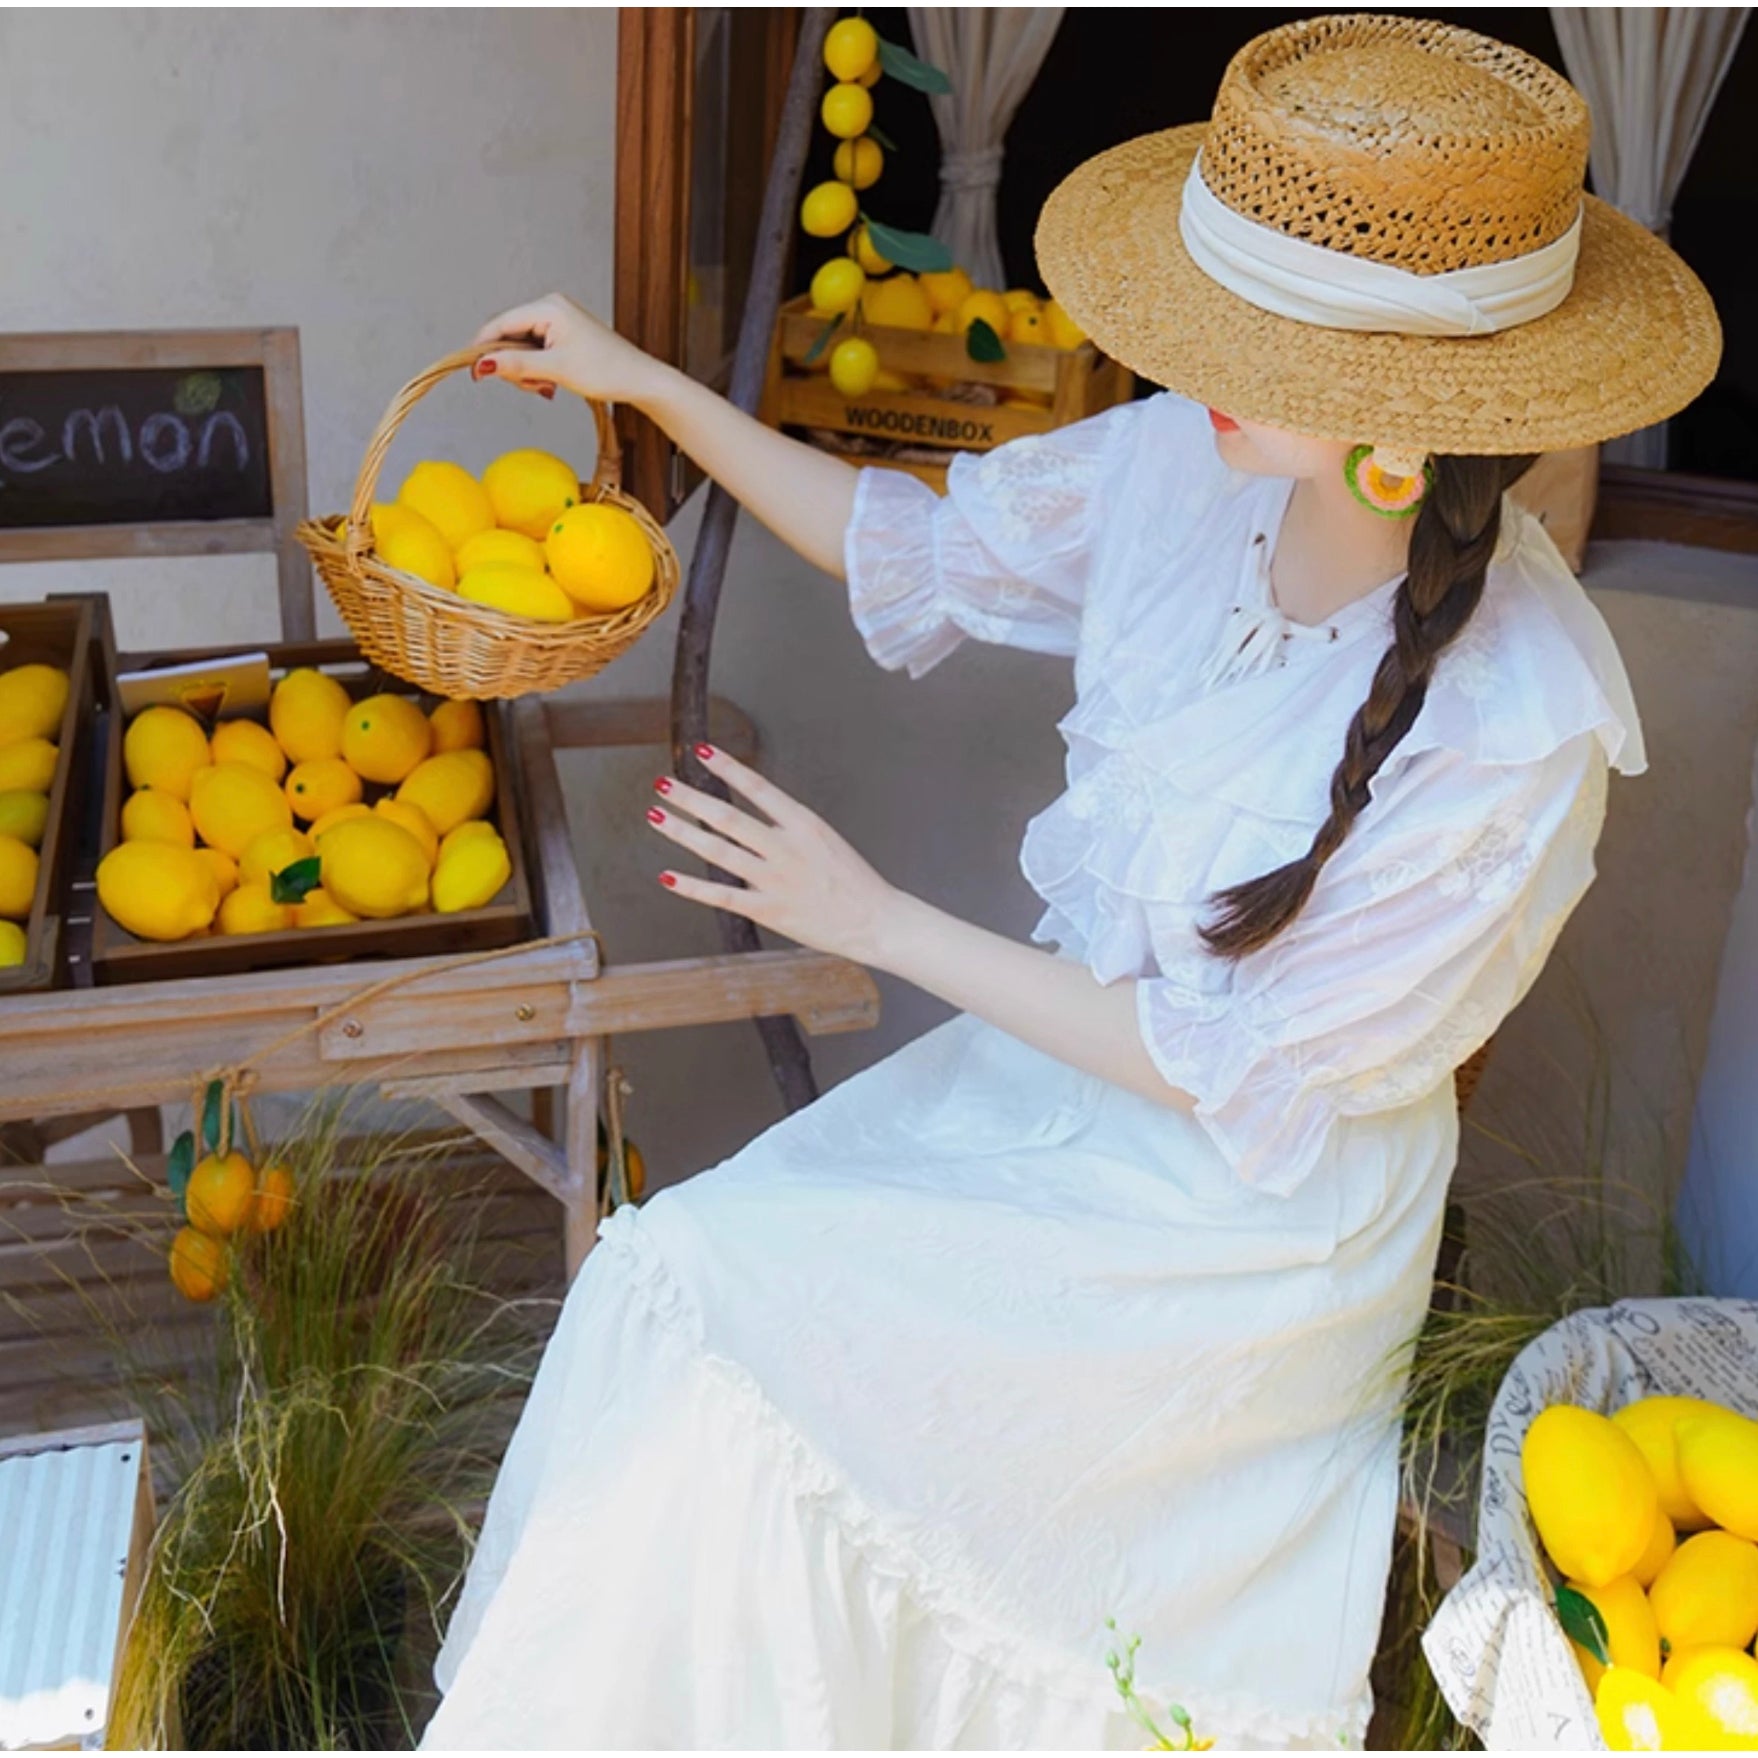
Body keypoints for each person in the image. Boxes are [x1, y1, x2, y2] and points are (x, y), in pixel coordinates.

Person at [421, 15, 1718, 1750]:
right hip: (1039, 1093)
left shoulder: (1518, 726)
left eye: (1257, 336)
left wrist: (875, 922)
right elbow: (909, 539)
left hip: (1240, 1237)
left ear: (1414, 407)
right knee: (684, 1279)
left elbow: (1233, 1070)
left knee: (753, 1318)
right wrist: (646, 385)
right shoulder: (1185, 461)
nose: (1197, 360)